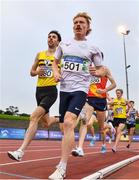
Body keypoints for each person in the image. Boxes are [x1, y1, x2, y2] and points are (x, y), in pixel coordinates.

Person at [48, 12, 104, 180]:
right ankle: (64, 159)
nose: (78, 25)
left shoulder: (93, 48)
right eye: (76, 22)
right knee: (64, 127)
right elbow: (55, 63)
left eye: (82, 23)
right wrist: (56, 72)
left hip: (80, 89)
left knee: (69, 121)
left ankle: (62, 167)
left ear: (88, 28)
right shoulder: (64, 44)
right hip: (64, 89)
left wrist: (97, 71)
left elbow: (101, 70)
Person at [7, 30, 62, 161]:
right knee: (47, 123)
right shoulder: (40, 54)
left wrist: (59, 76)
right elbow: (31, 72)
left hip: (51, 91)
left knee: (33, 117)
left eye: (54, 37)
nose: (50, 38)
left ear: (58, 42)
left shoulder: (61, 57)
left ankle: (20, 151)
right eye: (49, 36)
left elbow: (65, 74)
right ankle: (62, 118)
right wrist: (37, 71)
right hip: (39, 91)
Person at [71, 65, 116, 156]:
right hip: (89, 99)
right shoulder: (87, 68)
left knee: (102, 128)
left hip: (101, 100)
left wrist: (105, 90)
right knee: (85, 122)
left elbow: (114, 84)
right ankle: (80, 148)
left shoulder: (105, 69)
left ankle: (109, 131)